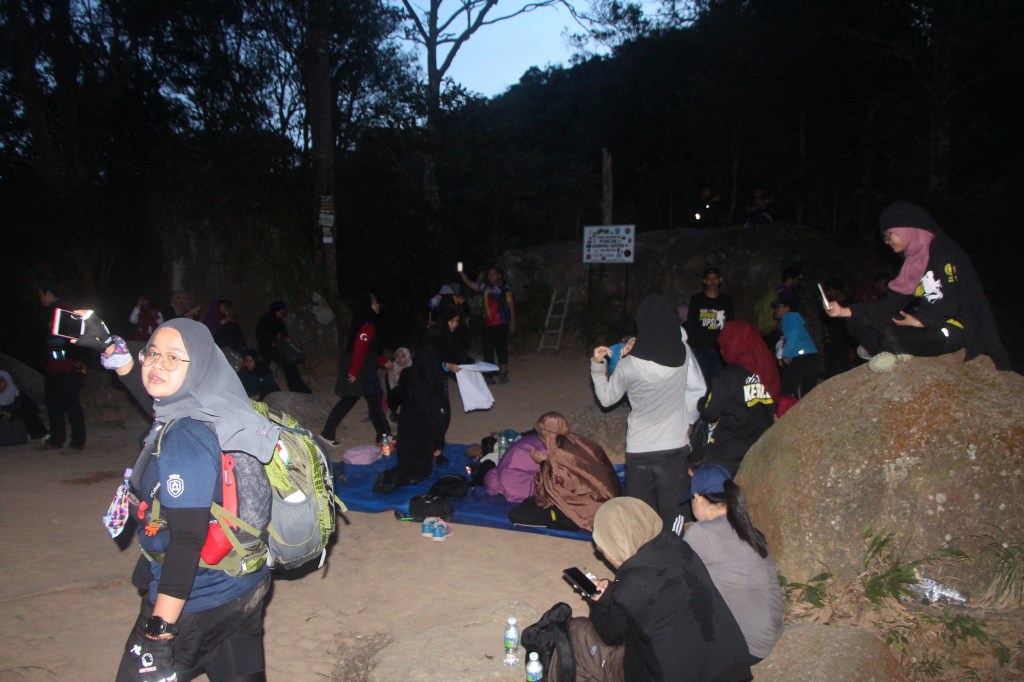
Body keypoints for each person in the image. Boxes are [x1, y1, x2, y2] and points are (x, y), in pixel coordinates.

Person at [102, 319, 275, 681]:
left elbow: (186, 541)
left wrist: (160, 631)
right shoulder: (215, 407)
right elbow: (159, 403)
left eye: (173, 357)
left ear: (198, 365)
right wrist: (123, 363)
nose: (157, 364)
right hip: (243, 585)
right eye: (152, 353)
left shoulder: (185, 437)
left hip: (197, 600)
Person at [576, 497, 753, 681]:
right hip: (733, 670)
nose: (603, 554)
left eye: (602, 548)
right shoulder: (679, 547)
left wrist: (597, 601)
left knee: (579, 633)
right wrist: (614, 591)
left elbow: (608, 634)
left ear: (617, 544)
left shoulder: (631, 587)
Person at [827, 200, 1011, 370]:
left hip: (952, 328)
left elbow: (956, 299)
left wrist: (921, 321)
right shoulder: (913, 263)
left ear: (905, 228)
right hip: (925, 324)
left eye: (889, 235)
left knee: (892, 336)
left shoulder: (943, 250)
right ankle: (887, 353)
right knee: (856, 321)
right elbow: (889, 306)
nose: (887, 242)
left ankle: (889, 347)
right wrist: (843, 311)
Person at [591, 294, 701, 529]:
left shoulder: (629, 364)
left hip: (640, 450)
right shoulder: (683, 353)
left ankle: (644, 551)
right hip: (674, 448)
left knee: (641, 518)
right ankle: (676, 548)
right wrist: (689, 423)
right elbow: (697, 388)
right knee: (675, 515)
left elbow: (607, 399)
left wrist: (598, 366)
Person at [676, 465, 784, 663]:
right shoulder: (747, 529)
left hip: (748, 645)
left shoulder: (701, 533)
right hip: (770, 632)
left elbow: (677, 582)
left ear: (698, 499)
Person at [508, 412, 622, 532]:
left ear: (548, 434)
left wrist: (543, 463)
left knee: (516, 514)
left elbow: (551, 489)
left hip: (588, 509)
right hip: (605, 498)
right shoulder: (578, 441)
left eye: (541, 434)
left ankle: (559, 519)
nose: (539, 438)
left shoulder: (558, 456)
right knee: (529, 502)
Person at [690, 321, 777, 475]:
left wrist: (701, 403)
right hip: (758, 451)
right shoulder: (768, 374)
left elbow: (710, 412)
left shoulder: (729, 376)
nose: (721, 351)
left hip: (727, 455)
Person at [372, 343, 446, 494]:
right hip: (423, 430)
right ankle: (400, 480)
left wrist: (395, 407)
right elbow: (438, 413)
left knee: (406, 461)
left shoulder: (408, 373)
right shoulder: (434, 377)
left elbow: (395, 395)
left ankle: (392, 475)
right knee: (422, 473)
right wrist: (438, 443)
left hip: (406, 427)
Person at [321, 293, 391, 444]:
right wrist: (354, 371)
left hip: (364, 366)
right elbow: (359, 348)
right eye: (376, 303)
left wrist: (383, 361)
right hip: (362, 368)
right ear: (369, 305)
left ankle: (383, 434)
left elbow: (369, 350)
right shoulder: (367, 324)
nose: (378, 306)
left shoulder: (361, 321)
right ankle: (384, 434)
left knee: (369, 400)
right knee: (359, 399)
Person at [38, 282, 86, 450]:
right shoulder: (54, 311)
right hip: (55, 366)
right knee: (54, 404)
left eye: (41, 295)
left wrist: (76, 361)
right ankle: (57, 439)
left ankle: (77, 441)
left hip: (66, 367)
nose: (40, 299)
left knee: (70, 404)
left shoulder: (65, 309)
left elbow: (74, 339)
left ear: (49, 294)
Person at [459, 265, 515, 383]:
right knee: (488, 350)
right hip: (488, 325)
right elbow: (470, 284)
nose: (491, 276)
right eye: (489, 274)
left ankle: (503, 374)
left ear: (499, 275)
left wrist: (512, 323)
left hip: (502, 323)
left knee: (502, 349)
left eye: (493, 274)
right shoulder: (485, 288)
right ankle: (489, 375)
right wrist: (461, 272)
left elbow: (511, 307)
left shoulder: (506, 289)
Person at [685, 267, 735, 383]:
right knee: (702, 381)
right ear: (704, 281)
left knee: (720, 381)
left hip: (720, 349)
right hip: (701, 348)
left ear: (720, 279)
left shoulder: (726, 301)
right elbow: (691, 322)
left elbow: (731, 325)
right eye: (709, 278)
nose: (712, 281)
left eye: (715, 278)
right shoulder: (697, 299)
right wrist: (693, 344)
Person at [773, 290, 821, 398]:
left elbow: (794, 333)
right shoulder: (794, 318)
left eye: (778, 307)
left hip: (803, 358)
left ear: (787, 308)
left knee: (786, 388)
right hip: (812, 357)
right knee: (807, 393)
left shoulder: (789, 317)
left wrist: (787, 354)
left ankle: (785, 406)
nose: (776, 310)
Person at [255, 301, 311, 393]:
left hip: (279, 349)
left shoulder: (278, 321)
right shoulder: (265, 321)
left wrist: (286, 338)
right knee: (285, 366)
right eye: (281, 312)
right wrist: (271, 341)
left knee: (290, 365)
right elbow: (260, 335)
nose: (282, 315)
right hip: (268, 350)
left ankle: (298, 388)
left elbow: (283, 332)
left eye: (283, 313)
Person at [0, 370, 48, 442]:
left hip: (16, 424)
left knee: (30, 415)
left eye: (1, 381)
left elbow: (33, 409)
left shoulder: (17, 394)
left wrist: (12, 414)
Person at [385, 347, 413, 421]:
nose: (399, 359)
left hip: (409, 392)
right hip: (397, 391)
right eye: (397, 356)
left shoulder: (412, 368)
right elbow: (392, 385)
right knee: (396, 391)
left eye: (402, 356)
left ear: (407, 357)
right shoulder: (392, 367)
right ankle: (394, 412)